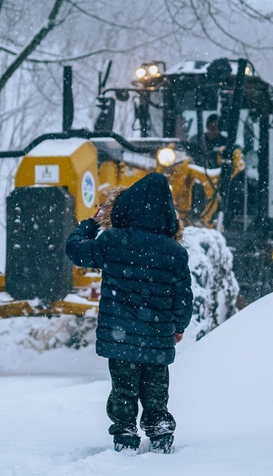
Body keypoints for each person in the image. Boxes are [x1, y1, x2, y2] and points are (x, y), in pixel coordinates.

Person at [65, 173, 194, 455]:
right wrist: (179, 326)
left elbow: (75, 250)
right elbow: (183, 297)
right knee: (156, 390)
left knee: (123, 389)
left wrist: (90, 224)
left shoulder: (112, 241)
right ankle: (160, 433)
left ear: (126, 208)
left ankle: (124, 436)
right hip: (158, 336)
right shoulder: (174, 252)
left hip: (120, 336)